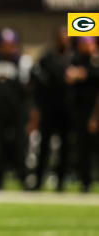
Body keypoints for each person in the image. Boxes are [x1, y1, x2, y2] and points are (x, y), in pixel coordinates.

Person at [0, 28, 33, 190]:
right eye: (3, 44)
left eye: (9, 44)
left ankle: (23, 177)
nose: (6, 47)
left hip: (18, 111)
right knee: (0, 145)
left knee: (20, 144)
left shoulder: (23, 61)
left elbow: (29, 88)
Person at [30, 27, 72, 191]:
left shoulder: (73, 57)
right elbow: (37, 80)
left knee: (65, 146)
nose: (63, 40)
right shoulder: (47, 57)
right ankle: (39, 180)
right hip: (48, 108)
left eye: (65, 37)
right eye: (60, 37)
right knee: (44, 145)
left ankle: (61, 182)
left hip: (67, 108)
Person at [66, 37, 99, 192]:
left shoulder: (95, 62)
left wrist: (95, 117)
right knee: (82, 148)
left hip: (94, 110)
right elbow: (69, 76)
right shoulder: (75, 59)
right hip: (80, 111)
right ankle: (85, 182)